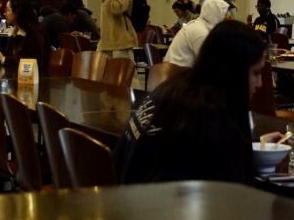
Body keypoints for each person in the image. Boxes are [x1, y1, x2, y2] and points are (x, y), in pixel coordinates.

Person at [114, 20, 282, 184]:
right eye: (256, 73)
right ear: (234, 71)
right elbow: (229, 189)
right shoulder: (211, 120)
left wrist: (250, 146)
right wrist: (238, 148)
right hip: (158, 208)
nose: (260, 83)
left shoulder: (173, 89)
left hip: (125, 198)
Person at [0, 0, 47, 70]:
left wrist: (3, 59)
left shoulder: (34, 32)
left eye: (7, 10)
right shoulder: (16, 31)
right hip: (16, 77)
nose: (4, 14)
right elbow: (10, 58)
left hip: (34, 79)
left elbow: (33, 63)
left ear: (17, 12)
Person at [165, 0, 230, 67]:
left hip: (178, 72)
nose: (227, 17)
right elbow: (209, 65)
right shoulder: (201, 33)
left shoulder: (200, 26)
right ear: (214, 13)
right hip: (176, 75)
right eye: (224, 13)